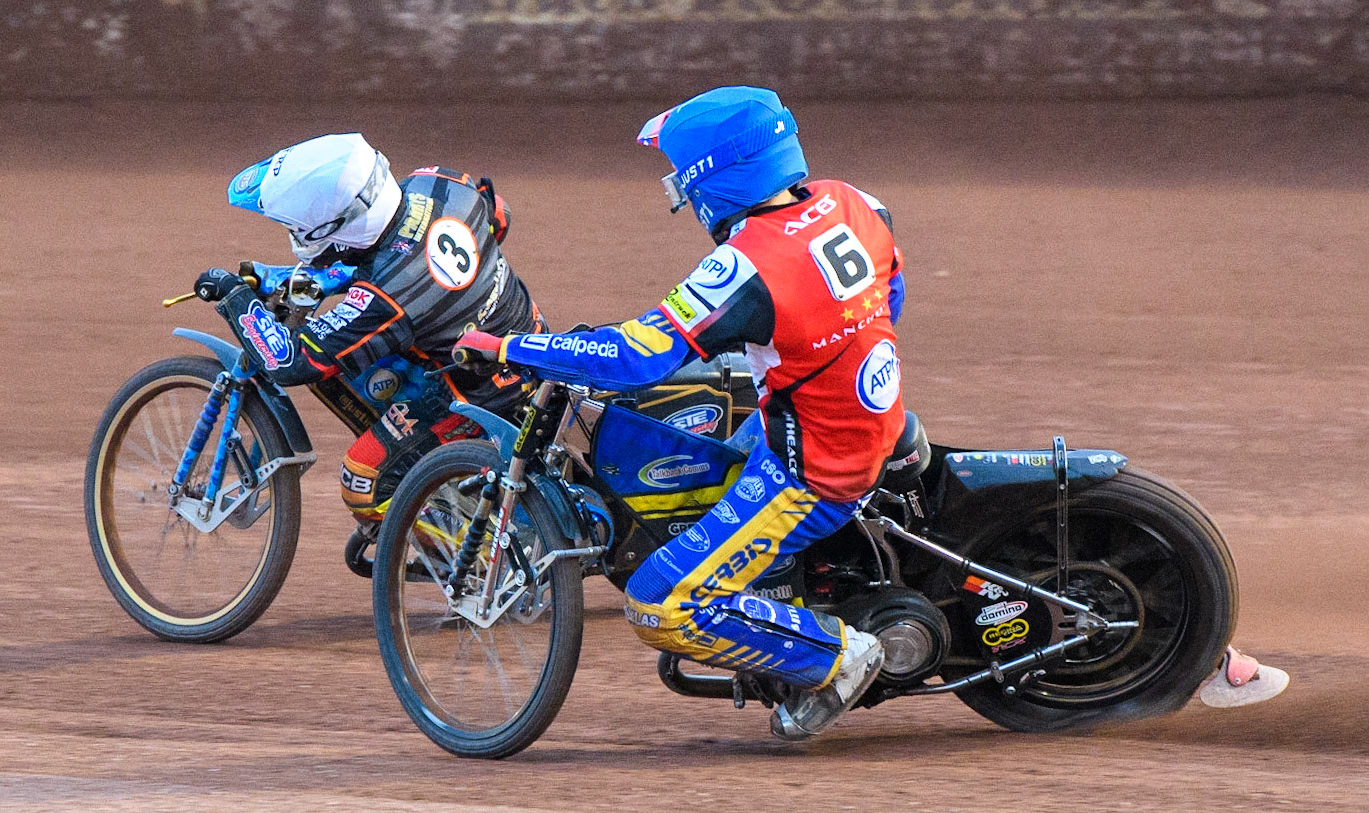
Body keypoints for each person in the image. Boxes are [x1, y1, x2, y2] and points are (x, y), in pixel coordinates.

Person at [454, 86, 1289, 739]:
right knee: (721, 415)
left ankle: (838, 657)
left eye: (679, 179)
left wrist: (511, 349)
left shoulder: (747, 266)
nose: (676, 196)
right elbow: (890, 288)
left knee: (661, 602)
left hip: (814, 467)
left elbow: (638, 354)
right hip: (871, 414)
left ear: (714, 178)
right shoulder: (852, 201)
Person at [191, 132, 543, 547]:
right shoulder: (438, 183)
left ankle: (486, 555)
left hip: (479, 393)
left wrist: (237, 298)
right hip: (525, 343)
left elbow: (291, 361)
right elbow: (497, 215)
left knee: (361, 480)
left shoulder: (386, 299)